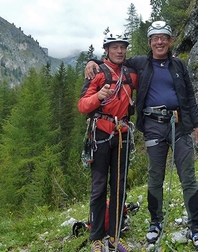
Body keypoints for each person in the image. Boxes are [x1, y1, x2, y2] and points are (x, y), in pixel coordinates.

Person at [85, 21, 198, 251]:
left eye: (164, 38)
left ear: (170, 41)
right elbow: (113, 63)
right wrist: (92, 62)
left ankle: (196, 227)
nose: (159, 42)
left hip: (180, 126)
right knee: (155, 176)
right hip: (153, 126)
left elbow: (189, 96)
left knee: (188, 176)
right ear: (149, 43)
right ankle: (155, 222)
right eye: (155, 38)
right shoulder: (140, 63)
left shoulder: (179, 65)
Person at [78, 30, 137, 252]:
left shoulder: (131, 75)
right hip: (101, 136)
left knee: (119, 186)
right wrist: (98, 97)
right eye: (115, 47)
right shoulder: (98, 74)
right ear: (107, 50)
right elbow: (82, 105)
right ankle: (96, 238)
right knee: (99, 187)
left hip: (122, 135)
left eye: (122, 47)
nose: (119, 51)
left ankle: (114, 236)